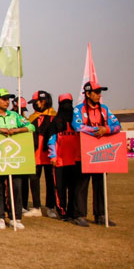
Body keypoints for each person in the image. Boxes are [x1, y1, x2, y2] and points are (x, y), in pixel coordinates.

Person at [0, 88, 35, 230]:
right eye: (3, 99)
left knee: (15, 187)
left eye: (8, 99)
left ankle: (16, 217)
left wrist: (17, 130)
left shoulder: (15, 116)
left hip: (13, 159)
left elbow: (31, 126)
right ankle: (0, 217)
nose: (7, 102)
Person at [72, 81, 120, 227]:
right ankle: (79, 215)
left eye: (100, 92)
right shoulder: (78, 109)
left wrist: (106, 130)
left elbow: (117, 125)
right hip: (83, 153)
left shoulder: (104, 109)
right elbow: (77, 126)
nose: (99, 95)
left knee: (101, 184)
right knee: (81, 185)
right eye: (96, 92)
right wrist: (96, 131)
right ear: (87, 93)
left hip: (101, 153)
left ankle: (101, 214)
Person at [48, 93, 84, 225]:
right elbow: (51, 140)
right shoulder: (55, 122)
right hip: (60, 161)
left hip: (76, 159)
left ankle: (73, 211)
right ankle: (62, 212)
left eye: (69, 102)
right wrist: (52, 156)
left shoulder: (77, 121)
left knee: (75, 188)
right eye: (65, 103)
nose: (67, 106)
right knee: (60, 188)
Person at [25, 90, 57, 218]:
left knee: (51, 181)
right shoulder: (32, 118)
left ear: (44, 101)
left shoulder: (54, 116)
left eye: (36, 102)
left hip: (49, 155)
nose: (35, 105)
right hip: (34, 155)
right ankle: (36, 207)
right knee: (33, 181)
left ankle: (51, 207)